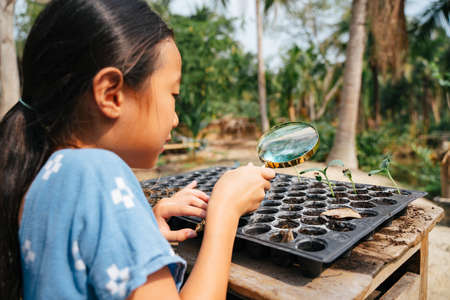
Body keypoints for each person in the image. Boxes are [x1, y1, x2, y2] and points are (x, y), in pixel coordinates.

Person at [0, 0, 275, 299]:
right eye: (173, 94)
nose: (176, 118)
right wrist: (225, 210)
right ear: (111, 94)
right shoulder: (95, 173)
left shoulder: (43, 175)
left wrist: (141, 228)